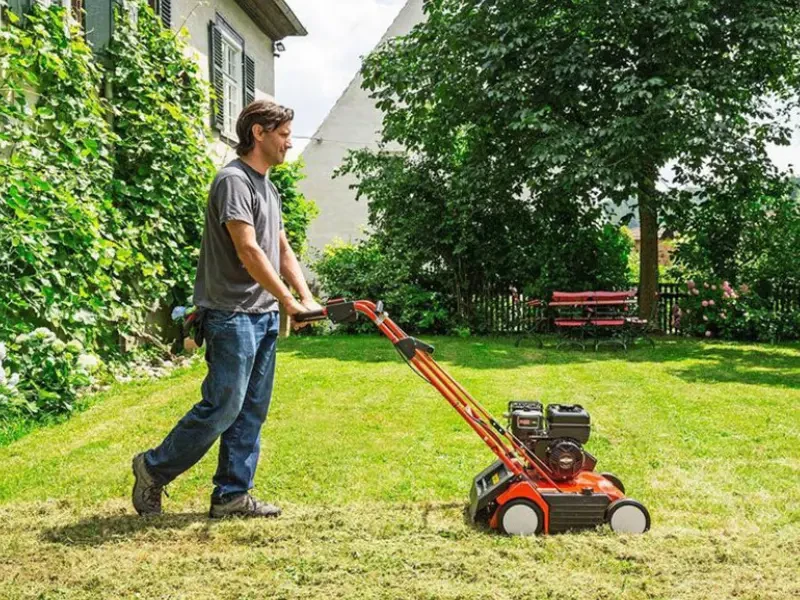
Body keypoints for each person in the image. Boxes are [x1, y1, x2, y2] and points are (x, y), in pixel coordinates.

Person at [131, 99, 320, 518]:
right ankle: (152, 467)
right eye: (284, 134)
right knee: (224, 405)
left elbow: (281, 247)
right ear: (259, 132)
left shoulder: (268, 188)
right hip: (231, 314)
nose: (290, 143)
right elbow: (249, 250)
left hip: (263, 314)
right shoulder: (233, 181)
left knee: (252, 407)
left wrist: (303, 298)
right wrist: (289, 300)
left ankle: (232, 494)